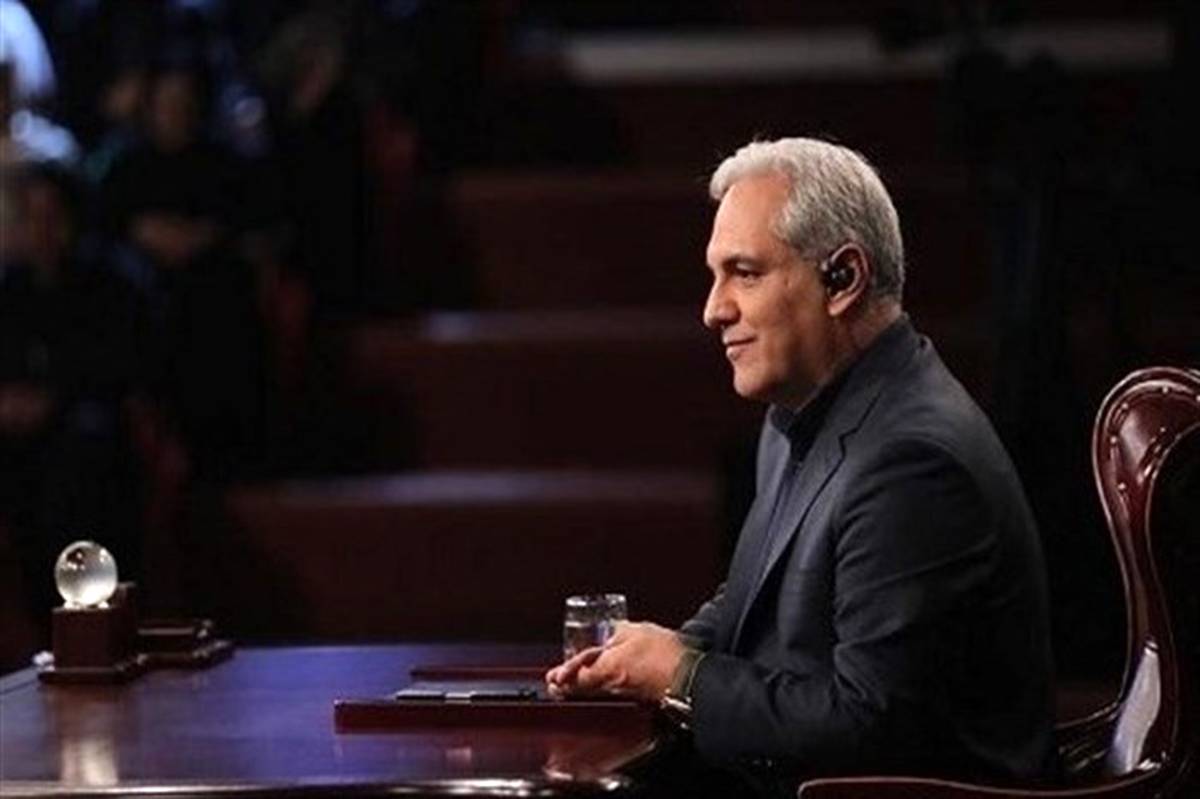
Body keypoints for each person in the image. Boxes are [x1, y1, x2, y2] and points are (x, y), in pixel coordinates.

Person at [546, 138, 1057, 793]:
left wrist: (681, 675)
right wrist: (650, 652)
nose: (714, 309)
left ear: (843, 279)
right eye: (715, 275)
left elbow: (869, 723)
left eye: (745, 272)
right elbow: (763, 597)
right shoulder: (801, 412)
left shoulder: (913, 460)